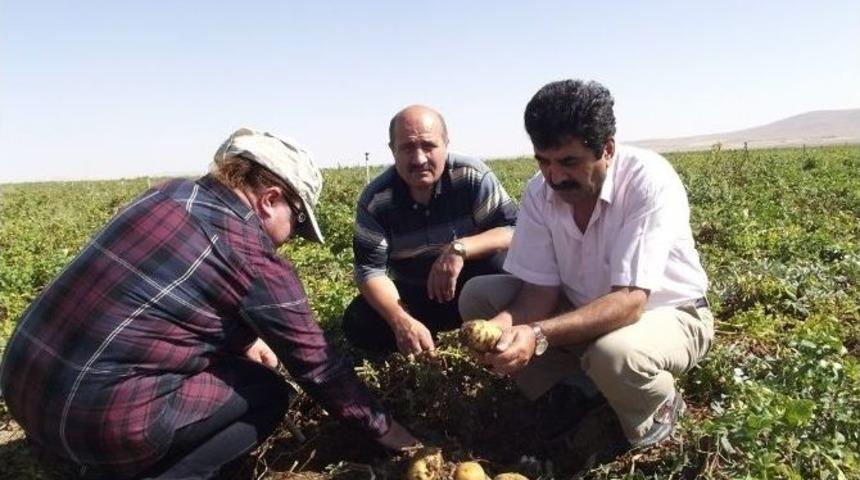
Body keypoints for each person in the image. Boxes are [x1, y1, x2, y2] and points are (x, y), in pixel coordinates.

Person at [0, 128, 417, 479]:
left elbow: (167, 297)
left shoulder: (166, 194)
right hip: (94, 424)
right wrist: (393, 434)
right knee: (266, 393)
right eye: (298, 221)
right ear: (270, 199)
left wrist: (242, 340)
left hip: (22, 390)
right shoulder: (253, 256)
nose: (290, 238)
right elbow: (321, 369)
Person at [459, 80, 714, 459]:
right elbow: (538, 292)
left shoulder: (647, 181)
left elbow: (630, 302)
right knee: (479, 297)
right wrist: (500, 328)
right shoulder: (540, 192)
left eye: (569, 162)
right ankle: (578, 391)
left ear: (607, 149)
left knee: (615, 354)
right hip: (586, 312)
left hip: (669, 315)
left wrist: (537, 334)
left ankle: (657, 414)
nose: (555, 177)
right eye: (543, 161)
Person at [342, 105, 518, 355]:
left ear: (446, 144)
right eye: (407, 148)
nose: (419, 159)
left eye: (428, 146)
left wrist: (460, 249)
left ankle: (496, 335)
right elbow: (370, 269)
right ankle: (421, 339)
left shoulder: (471, 177)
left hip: (472, 285)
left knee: (506, 276)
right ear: (393, 150)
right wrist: (401, 320)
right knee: (360, 321)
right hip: (416, 292)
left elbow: (513, 229)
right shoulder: (377, 200)